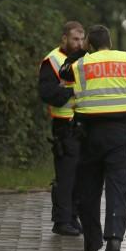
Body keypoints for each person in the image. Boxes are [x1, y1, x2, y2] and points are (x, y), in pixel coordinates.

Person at [60, 25, 126, 251]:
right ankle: (114, 240)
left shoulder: (81, 64)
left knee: (88, 189)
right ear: (110, 41)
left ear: (89, 43)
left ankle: (92, 241)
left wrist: (80, 52)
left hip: (89, 135)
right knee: (118, 187)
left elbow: (63, 72)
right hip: (119, 134)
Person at [38, 21, 85, 236]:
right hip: (64, 126)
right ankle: (61, 221)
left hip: (83, 124)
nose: (79, 43)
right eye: (75, 39)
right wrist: (70, 91)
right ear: (64, 38)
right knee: (66, 176)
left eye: (81, 39)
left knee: (81, 175)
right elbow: (47, 94)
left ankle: (73, 217)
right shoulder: (53, 61)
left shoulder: (85, 60)